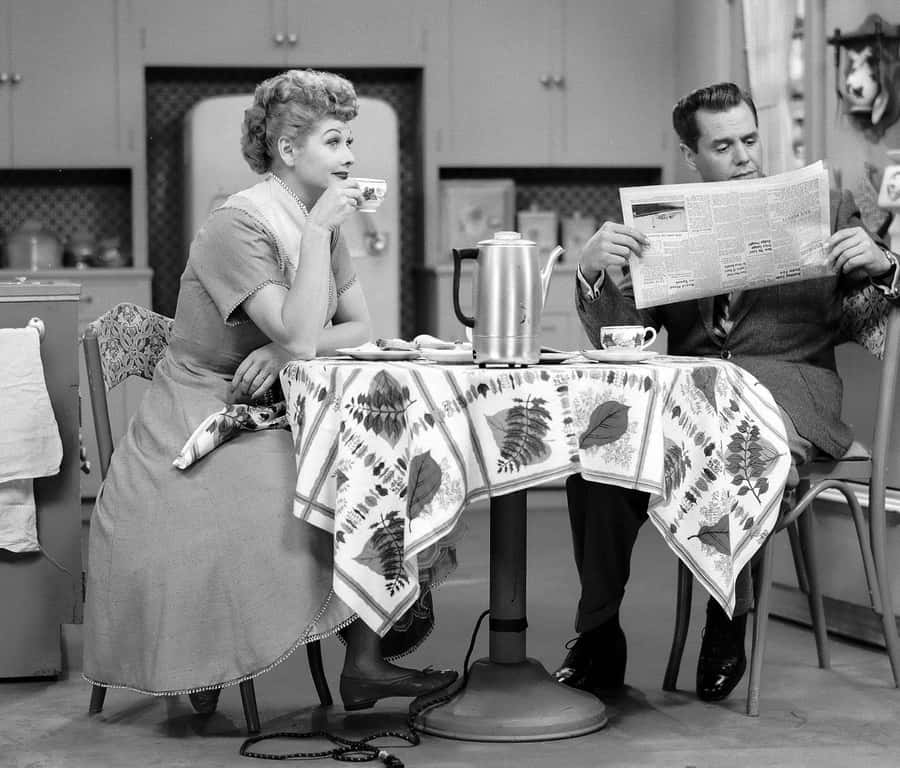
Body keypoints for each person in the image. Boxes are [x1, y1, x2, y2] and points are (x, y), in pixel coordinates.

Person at [83, 69, 456, 715]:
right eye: (335, 141)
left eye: (349, 141)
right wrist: (297, 321)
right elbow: (304, 332)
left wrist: (286, 349)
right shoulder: (237, 226)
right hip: (201, 408)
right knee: (317, 480)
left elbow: (358, 328)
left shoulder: (322, 223)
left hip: (278, 400)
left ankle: (365, 663)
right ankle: (212, 656)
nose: (350, 155)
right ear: (287, 149)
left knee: (375, 462)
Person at [554, 82, 900, 704]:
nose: (743, 156)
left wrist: (885, 265)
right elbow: (620, 336)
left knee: (735, 443)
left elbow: (868, 321)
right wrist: (591, 271)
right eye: (723, 146)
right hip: (687, 394)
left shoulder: (827, 207)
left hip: (789, 393)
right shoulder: (661, 224)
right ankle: (599, 633)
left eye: (749, 139)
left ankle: (727, 615)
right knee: (598, 455)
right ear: (692, 157)